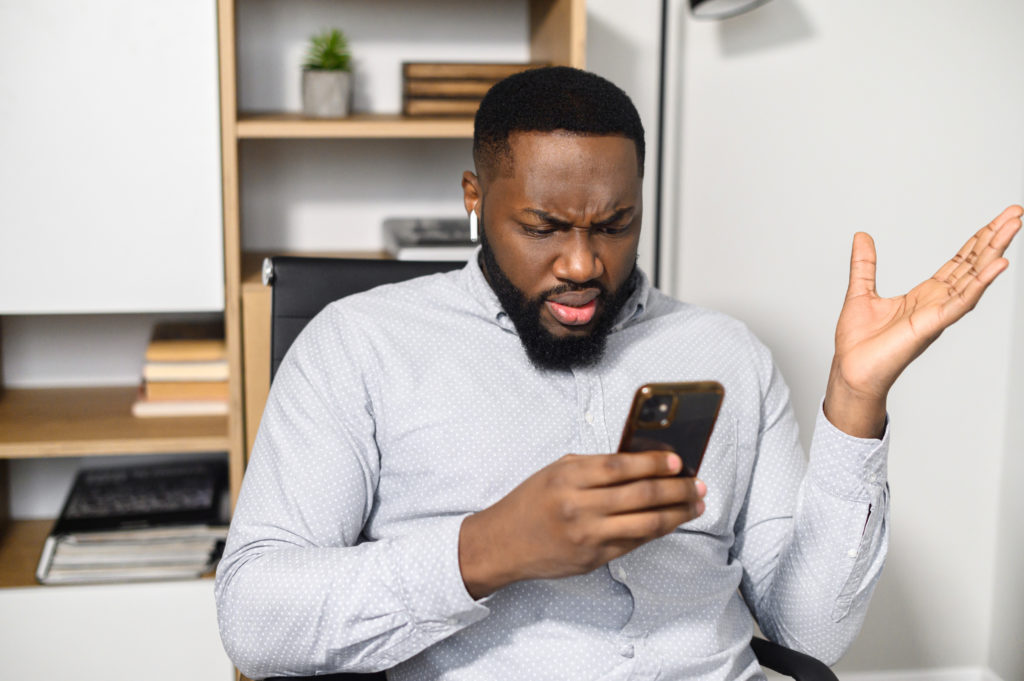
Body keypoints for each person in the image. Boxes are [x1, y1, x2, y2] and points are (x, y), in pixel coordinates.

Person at [214, 67, 1021, 680]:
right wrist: (487, 548)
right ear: (473, 197)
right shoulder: (360, 345)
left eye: (615, 225)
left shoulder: (728, 353)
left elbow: (806, 631)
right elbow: (254, 613)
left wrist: (855, 402)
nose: (581, 262)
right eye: (542, 226)